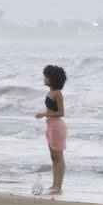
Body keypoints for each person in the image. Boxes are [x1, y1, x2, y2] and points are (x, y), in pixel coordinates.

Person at [35, 64, 67, 195]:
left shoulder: (58, 93)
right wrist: (45, 115)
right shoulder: (50, 92)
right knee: (53, 157)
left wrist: (44, 114)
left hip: (57, 127)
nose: (44, 79)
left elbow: (61, 112)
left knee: (59, 157)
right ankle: (54, 184)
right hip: (50, 126)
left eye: (46, 77)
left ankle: (58, 186)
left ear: (52, 79)